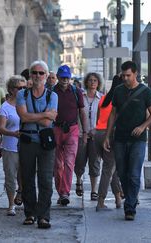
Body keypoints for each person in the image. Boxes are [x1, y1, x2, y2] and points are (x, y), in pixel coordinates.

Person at [103, 61, 151, 221]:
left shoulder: (145, 92)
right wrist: (107, 135)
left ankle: (130, 207)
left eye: (128, 75)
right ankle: (130, 197)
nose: (125, 78)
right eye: (123, 75)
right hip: (119, 138)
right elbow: (113, 114)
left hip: (138, 140)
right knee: (122, 173)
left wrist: (143, 126)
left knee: (133, 174)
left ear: (136, 74)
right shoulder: (118, 91)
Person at [16, 60, 58, 229]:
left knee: (46, 180)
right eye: (35, 73)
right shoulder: (22, 95)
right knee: (27, 179)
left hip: (45, 143)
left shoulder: (52, 95)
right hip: (27, 141)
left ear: (47, 76)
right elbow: (23, 118)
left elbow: (48, 123)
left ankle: (43, 216)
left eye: (41, 73)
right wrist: (45, 114)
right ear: (30, 75)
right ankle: (30, 213)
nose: (38, 76)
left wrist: (34, 116)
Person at [53, 65, 88, 206]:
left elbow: (82, 112)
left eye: (67, 77)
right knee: (58, 165)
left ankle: (65, 192)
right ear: (58, 77)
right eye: (62, 77)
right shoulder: (51, 91)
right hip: (55, 129)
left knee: (69, 162)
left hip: (72, 130)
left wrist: (85, 132)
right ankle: (60, 191)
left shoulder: (76, 91)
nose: (65, 80)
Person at [0, 75, 26, 216]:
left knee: (25, 175)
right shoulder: (5, 107)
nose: (22, 90)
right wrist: (13, 133)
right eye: (19, 88)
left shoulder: (28, 104)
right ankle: (11, 205)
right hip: (10, 147)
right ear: (11, 89)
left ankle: (21, 193)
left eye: (24, 88)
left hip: (26, 146)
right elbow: (1, 128)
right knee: (10, 176)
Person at [95, 75, 124, 211]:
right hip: (109, 135)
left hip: (98, 134)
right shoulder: (119, 100)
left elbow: (97, 118)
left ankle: (118, 199)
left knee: (113, 169)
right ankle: (100, 201)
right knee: (108, 169)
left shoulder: (103, 99)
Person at [74, 72, 103, 201]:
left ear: (98, 83)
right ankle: (79, 180)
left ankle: (93, 190)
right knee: (79, 161)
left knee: (95, 163)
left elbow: (104, 118)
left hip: (96, 136)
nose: (92, 82)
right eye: (90, 80)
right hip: (80, 134)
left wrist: (97, 130)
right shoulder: (80, 96)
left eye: (95, 80)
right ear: (86, 82)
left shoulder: (101, 98)